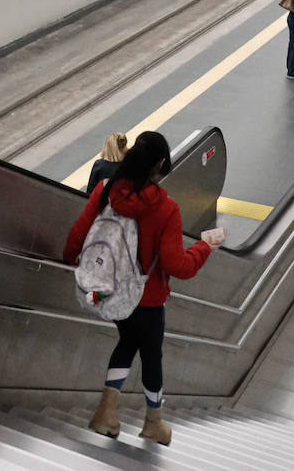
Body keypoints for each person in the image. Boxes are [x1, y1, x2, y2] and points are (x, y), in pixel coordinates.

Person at [64, 131, 225, 445]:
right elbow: (178, 266)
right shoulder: (166, 208)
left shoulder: (104, 190)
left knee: (127, 340)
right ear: (161, 164)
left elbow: (78, 235)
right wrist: (204, 246)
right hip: (147, 299)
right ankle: (153, 423)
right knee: (151, 357)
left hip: (112, 291)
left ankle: (106, 414)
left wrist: (73, 262)